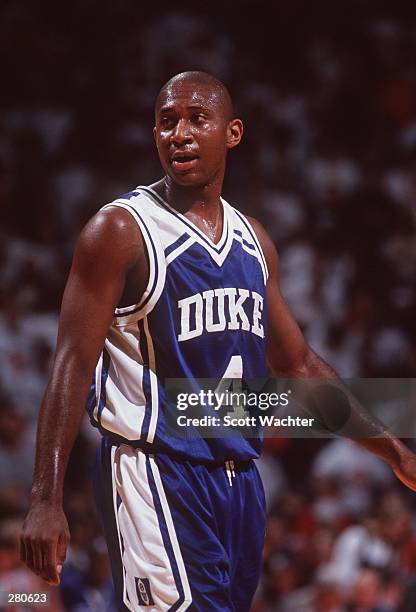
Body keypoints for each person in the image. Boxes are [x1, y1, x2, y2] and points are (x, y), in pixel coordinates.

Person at [20, 71, 416, 612]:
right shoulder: (120, 231)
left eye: (196, 120)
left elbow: (298, 365)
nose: (178, 134)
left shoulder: (255, 243)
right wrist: (45, 497)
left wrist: (396, 453)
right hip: (154, 471)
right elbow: (71, 366)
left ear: (232, 133)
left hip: (240, 482)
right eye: (166, 122)